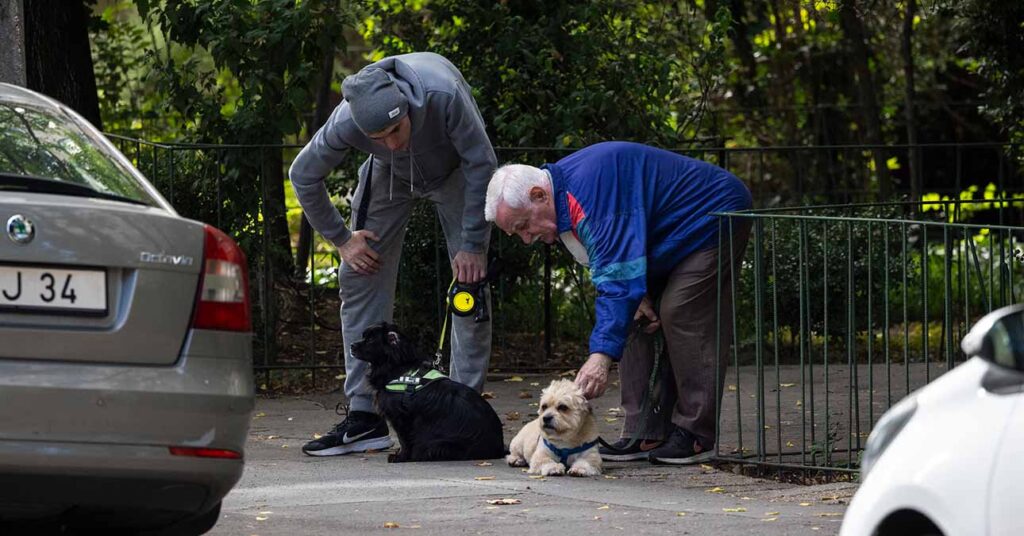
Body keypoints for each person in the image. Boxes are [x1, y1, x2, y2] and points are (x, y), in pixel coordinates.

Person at [484, 141, 752, 465]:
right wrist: (633, 299)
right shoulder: (564, 201)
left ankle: (697, 434)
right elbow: (611, 271)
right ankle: (645, 431)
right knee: (635, 317)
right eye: (519, 233)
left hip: (710, 217)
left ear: (540, 195)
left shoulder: (590, 195)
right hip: (661, 238)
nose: (527, 239)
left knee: (680, 311)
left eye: (524, 226)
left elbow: (617, 279)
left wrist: (600, 358)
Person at [290, 52, 496, 457]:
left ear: (406, 107)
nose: (392, 142)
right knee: (358, 270)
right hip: (390, 177)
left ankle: (462, 407)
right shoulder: (348, 121)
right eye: (378, 137)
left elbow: (481, 161)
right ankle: (365, 417)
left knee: (468, 286)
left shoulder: (443, 94)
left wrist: (473, 243)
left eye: (396, 129)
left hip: (456, 173)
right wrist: (341, 238)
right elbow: (302, 173)